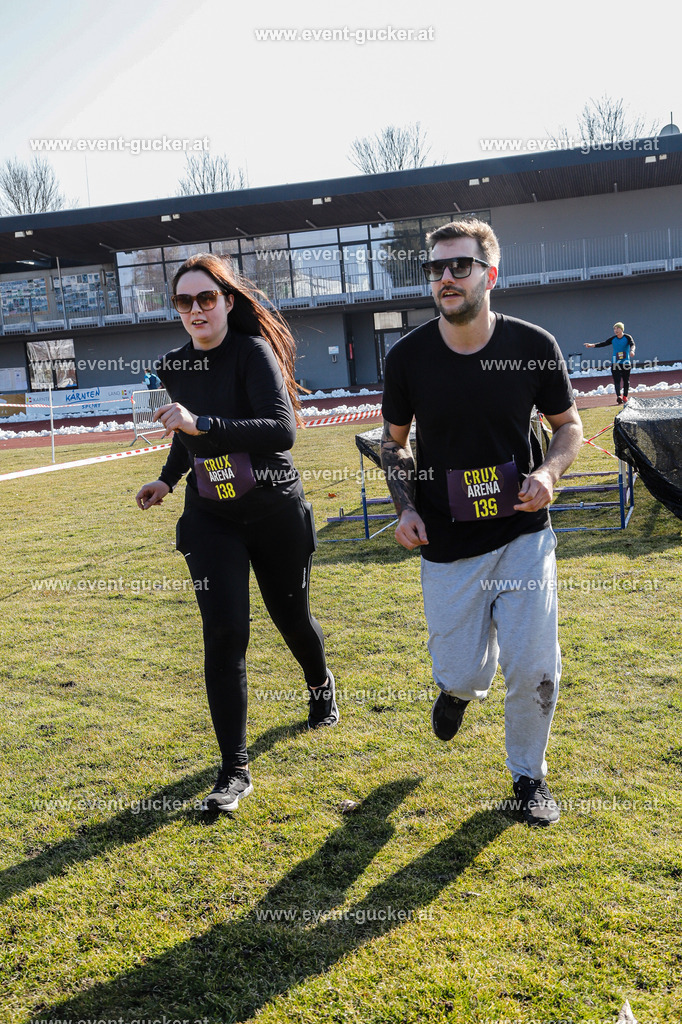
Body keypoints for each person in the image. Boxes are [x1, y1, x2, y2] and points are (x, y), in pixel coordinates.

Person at [380, 219, 583, 827]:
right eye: (435, 268)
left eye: (459, 266)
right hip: (447, 542)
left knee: (534, 663)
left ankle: (528, 775)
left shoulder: (532, 345)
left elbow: (568, 426)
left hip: (523, 531)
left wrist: (547, 473)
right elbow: (393, 446)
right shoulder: (408, 357)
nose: (445, 277)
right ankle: (458, 689)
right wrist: (407, 508)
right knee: (465, 669)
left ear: (490, 275)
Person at [135, 253, 338, 813]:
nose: (196, 309)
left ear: (227, 301)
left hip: (274, 508)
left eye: (206, 298)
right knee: (224, 635)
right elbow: (186, 436)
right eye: (184, 301)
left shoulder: (253, 353)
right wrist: (168, 479)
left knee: (290, 616)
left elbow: (281, 430)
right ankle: (234, 770)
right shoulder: (174, 365)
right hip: (211, 516)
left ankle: (320, 687)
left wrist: (201, 423)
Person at [584, 322, 636, 404]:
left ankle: (625, 396)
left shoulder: (627, 337)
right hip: (615, 363)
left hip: (626, 363)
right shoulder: (613, 339)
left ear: (622, 329)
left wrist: (632, 351)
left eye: (617, 328)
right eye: (614, 329)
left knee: (626, 380)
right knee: (617, 380)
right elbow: (603, 343)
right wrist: (591, 345)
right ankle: (619, 396)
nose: (616, 330)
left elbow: (632, 344)